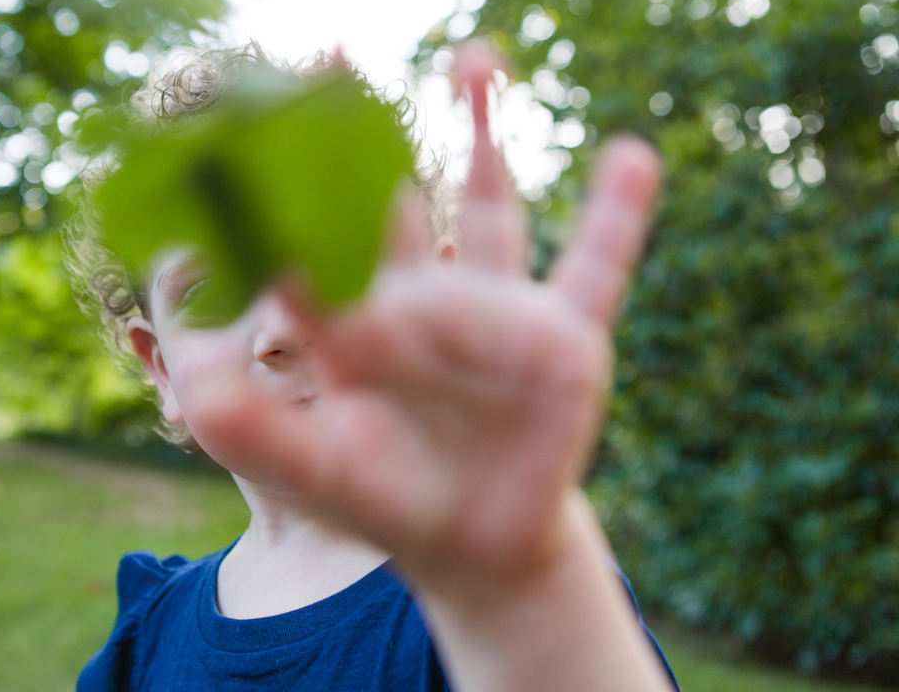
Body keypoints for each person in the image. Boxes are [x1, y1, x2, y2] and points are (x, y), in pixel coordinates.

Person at [67, 43, 680, 692]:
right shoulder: (145, 639)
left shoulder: (486, 592)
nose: (281, 327)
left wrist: (524, 597)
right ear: (161, 369)